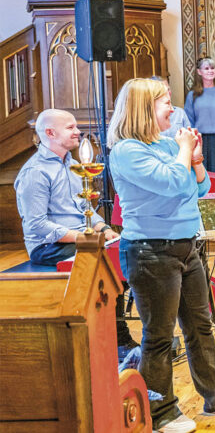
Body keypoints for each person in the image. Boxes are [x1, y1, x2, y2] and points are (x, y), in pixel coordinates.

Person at [108, 79, 215, 432]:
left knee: (200, 326)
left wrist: (197, 160)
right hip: (151, 252)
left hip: (186, 245)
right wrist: (184, 152)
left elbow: (200, 186)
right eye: (165, 102)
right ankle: (160, 413)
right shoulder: (127, 151)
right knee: (159, 336)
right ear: (145, 108)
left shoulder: (163, 143)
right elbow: (175, 183)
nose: (172, 109)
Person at [14, 109, 136, 354]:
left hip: (82, 236)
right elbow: (37, 224)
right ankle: (113, 340)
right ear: (50, 132)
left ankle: (115, 336)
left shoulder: (73, 165)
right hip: (47, 247)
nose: (78, 131)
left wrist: (103, 229)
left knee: (123, 250)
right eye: (70, 127)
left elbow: (84, 207)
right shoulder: (35, 172)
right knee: (103, 257)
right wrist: (86, 239)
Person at [185, 57, 215, 173]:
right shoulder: (192, 95)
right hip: (201, 140)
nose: (210, 71)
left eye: (212, 68)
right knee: (202, 173)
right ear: (199, 72)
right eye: (206, 68)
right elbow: (189, 120)